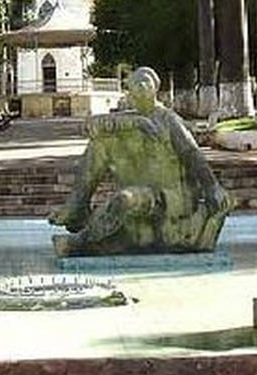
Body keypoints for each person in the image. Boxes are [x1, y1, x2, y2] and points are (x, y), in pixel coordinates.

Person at [48, 66, 236, 257]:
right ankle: (78, 203)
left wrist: (212, 187)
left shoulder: (168, 120)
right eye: (135, 82)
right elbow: (90, 126)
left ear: (155, 87)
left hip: (171, 199)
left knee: (125, 200)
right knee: (101, 142)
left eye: (146, 80)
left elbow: (192, 154)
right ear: (129, 91)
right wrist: (138, 123)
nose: (141, 84)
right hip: (143, 191)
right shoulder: (129, 119)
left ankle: (80, 241)